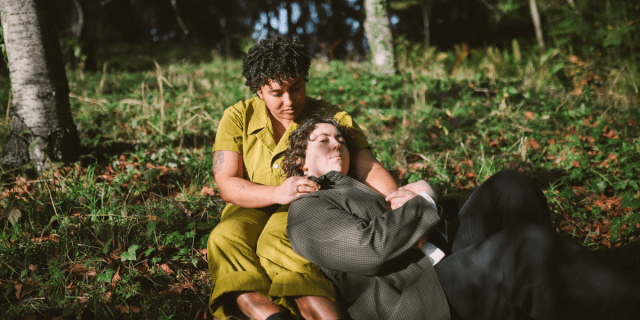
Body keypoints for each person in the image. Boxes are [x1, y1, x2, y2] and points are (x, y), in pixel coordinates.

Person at [281, 118, 640, 320]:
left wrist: (429, 199)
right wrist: (422, 198)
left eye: (341, 138)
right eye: (322, 139)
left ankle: (549, 297)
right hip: (412, 299)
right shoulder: (307, 207)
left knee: (508, 187)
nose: (337, 144)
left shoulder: (365, 189)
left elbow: (430, 216)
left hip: (439, 258)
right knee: (522, 247)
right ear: (301, 162)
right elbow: (369, 249)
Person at [207, 36, 400, 320]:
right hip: (251, 203)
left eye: (296, 88)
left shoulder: (332, 117)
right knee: (225, 237)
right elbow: (227, 182)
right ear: (259, 91)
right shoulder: (238, 117)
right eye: (276, 92)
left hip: (311, 203)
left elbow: (367, 166)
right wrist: (276, 194)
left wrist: (398, 202)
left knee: (279, 242)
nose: (289, 101)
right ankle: (260, 308)